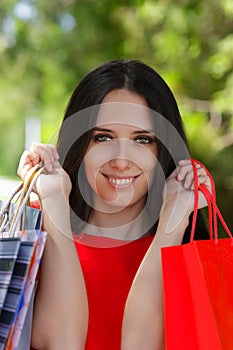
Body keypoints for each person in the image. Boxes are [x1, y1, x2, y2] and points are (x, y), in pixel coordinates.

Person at [17, 59, 210, 350]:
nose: (121, 161)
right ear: (81, 143)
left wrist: (173, 222)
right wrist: (54, 200)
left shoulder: (194, 253)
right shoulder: (34, 240)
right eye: (103, 137)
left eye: (143, 140)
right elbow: (62, 344)